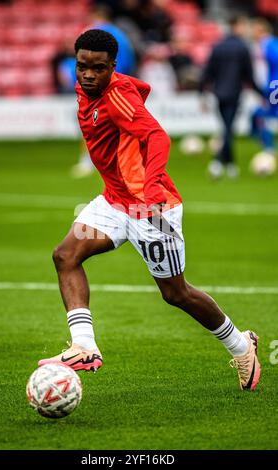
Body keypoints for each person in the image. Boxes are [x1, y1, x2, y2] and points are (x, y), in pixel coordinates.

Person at [39, 29, 261, 391]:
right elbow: (139, 87)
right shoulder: (88, 86)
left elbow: (157, 136)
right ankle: (85, 346)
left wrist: (153, 180)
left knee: (175, 293)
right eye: (83, 67)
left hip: (150, 209)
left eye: (98, 68)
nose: (89, 75)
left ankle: (241, 345)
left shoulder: (115, 96)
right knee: (65, 255)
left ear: (112, 67)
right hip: (114, 201)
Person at [71, 4, 136, 178]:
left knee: (89, 123)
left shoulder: (93, 35)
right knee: (118, 126)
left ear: (96, 15)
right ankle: (122, 161)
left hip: (99, 87)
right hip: (118, 84)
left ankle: (87, 161)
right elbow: (130, 59)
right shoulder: (120, 35)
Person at [199, 16, 263, 179]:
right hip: (234, 93)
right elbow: (249, 75)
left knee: (227, 127)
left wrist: (202, 93)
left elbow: (208, 72)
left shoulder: (218, 46)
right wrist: (262, 94)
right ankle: (218, 162)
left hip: (219, 93)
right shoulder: (242, 47)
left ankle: (230, 165)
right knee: (228, 128)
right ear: (237, 26)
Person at [250, 18, 278, 160]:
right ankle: (267, 146)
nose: (252, 32)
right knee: (258, 115)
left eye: (254, 29)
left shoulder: (269, 44)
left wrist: (272, 87)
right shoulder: (262, 45)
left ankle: (269, 149)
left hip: (273, 87)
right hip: (269, 87)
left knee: (262, 116)